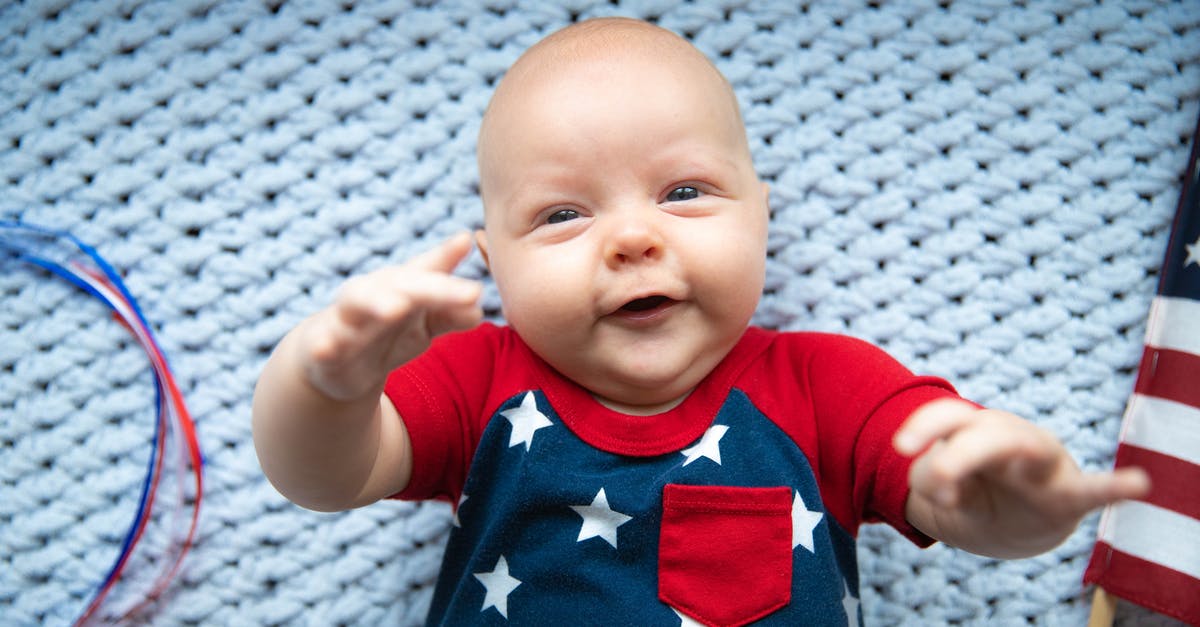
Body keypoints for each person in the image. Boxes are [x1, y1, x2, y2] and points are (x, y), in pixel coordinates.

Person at [252, 17, 1149, 626]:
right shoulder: (478, 379)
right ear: (494, 264)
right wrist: (326, 383)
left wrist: (1014, 507)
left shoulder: (825, 386)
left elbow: (960, 496)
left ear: (761, 216)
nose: (633, 237)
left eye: (684, 192)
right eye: (562, 215)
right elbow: (326, 476)